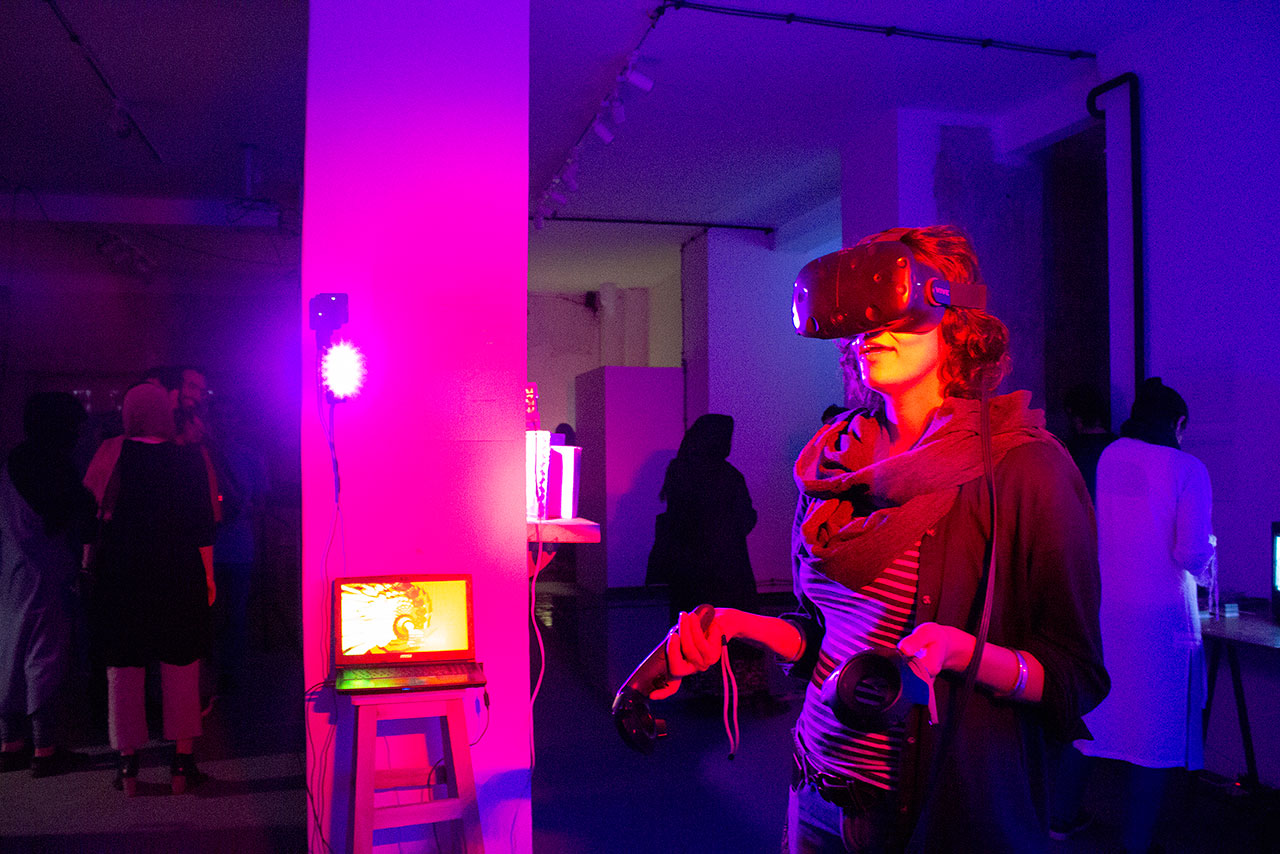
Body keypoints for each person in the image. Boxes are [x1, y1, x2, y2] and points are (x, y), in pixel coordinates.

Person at [657, 225, 1109, 852]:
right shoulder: (835, 459)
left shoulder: (1024, 468)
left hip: (930, 814)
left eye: (896, 304)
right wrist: (738, 624)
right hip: (814, 792)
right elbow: (826, 637)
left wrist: (961, 653)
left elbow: (1074, 675)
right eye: (861, 312)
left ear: (955, 315)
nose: (874, 327)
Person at [1053, 378, 1214, 853]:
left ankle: (1059, 819)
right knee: (1156, 734)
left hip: (1105, 613)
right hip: (1162, 623)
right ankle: (1135, 843)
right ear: (1178, 423)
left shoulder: (1109, 456)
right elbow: (1189, 553)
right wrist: (1210, 550)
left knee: (1094, 722)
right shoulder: (1188, 467)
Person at [92, 383, 216, 795]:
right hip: (178, 571)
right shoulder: (190, 457)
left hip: (122, 573)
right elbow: (203, 526)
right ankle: (181, 764)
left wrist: (89, 566)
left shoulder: (111, 453)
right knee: (182, 663)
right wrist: (208, 577)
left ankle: (128, 766)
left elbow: (93, 517)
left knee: (124, 666)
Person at [648, 414, 779, 710]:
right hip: (728, 565)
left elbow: (677, 517)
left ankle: (701, 688)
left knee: (696, 624)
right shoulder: (729, 476)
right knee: (734, 623)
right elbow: (746, 518)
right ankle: (741, 690)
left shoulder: (680, 470)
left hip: (689, 567)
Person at [0, 393, 97, 777]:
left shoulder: (11, 461)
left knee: (10, 654)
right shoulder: (55, 466)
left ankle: (10, 743)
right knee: (45, 658)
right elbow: (75, 511)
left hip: (11, 570)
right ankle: (45, 749)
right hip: (48, 570)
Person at [1062, 382, 1118, 502]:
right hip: (1114, 510)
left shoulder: (1067, 451)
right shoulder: (1118, 447)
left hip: (1081, 511)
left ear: (1074, 415)